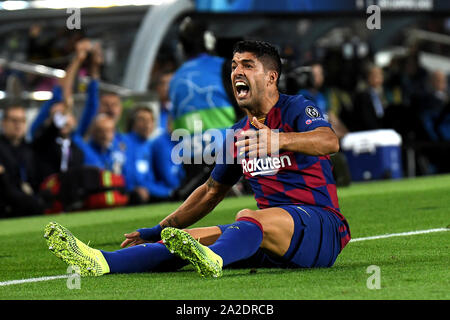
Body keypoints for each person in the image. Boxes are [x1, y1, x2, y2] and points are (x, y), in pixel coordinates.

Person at [44, 40, 351, 278]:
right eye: (233, 66)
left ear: (271, 77)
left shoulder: (296, 108)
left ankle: (215, 260)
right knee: (186, 240)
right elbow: (210, 191)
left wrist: (278, 139)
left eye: (247, 65)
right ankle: (100, 261)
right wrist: (157, 229)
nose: (237, 72)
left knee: (249, 215)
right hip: (270, 235)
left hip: (321, 227)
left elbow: (329, 141)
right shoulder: (237, 134)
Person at [0, 106, 49, 217]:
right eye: (14, 120)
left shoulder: (29, 149)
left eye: (22, 120)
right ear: (3, 123)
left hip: (30, 201)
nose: (18, 125)